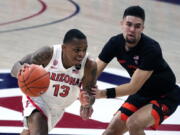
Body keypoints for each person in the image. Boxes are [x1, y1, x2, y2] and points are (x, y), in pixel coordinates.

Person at [91, 5, 180, 135]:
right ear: (122, 24)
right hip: (142, 94)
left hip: (165, 96)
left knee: (134, 124)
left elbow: (133, 87)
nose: (132, 29)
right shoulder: (115, 43)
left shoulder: (151, 49)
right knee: (110, 132)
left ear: (142, 29)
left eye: (137, 26)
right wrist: (85, 100)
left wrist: (102, 94)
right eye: (129, 24)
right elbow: (95, 70)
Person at [11, 29, 97, 135]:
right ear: (64, 48)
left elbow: (90, 95)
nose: (81, 54)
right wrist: (24, 75)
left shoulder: (89, 64)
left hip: (58, 108)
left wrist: (87, 103)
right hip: (37, 97)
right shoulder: (47, 54)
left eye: (84, 49)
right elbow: (15, 68)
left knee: (28, 132)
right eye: (77, 50)